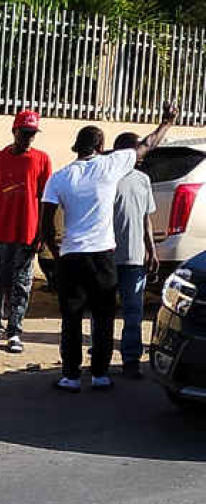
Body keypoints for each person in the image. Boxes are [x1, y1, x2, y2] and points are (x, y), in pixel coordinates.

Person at [41, 104, 177, 393]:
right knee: (103, 316)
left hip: (72, 256)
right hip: (103, 255)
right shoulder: (110, 165)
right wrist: (166, 121)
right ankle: (100, 374)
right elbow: (148, 145)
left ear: (77, 147)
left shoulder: (60, 177)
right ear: (101, 147)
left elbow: (46, 225)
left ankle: (71, 376)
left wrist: (56, 251)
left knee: (72, 318)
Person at [0, 110, 52, 354]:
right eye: (25, 133)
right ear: (14, 131)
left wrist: (42, 233)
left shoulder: (41, 160)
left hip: (26, 234)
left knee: (20, 284)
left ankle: (15, 332)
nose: (28, 139)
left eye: (32, 134)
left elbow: (46, 200)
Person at [111, 132, 159, 380]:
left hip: (134, 258)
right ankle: (102, 357)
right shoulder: (108, 178)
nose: (141, 154)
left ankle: (131, 360)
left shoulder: (143, 180)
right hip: (108, 257)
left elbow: (145, 218)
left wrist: (151, 249)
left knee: (133, 312)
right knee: (104, 311)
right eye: (137, 148)